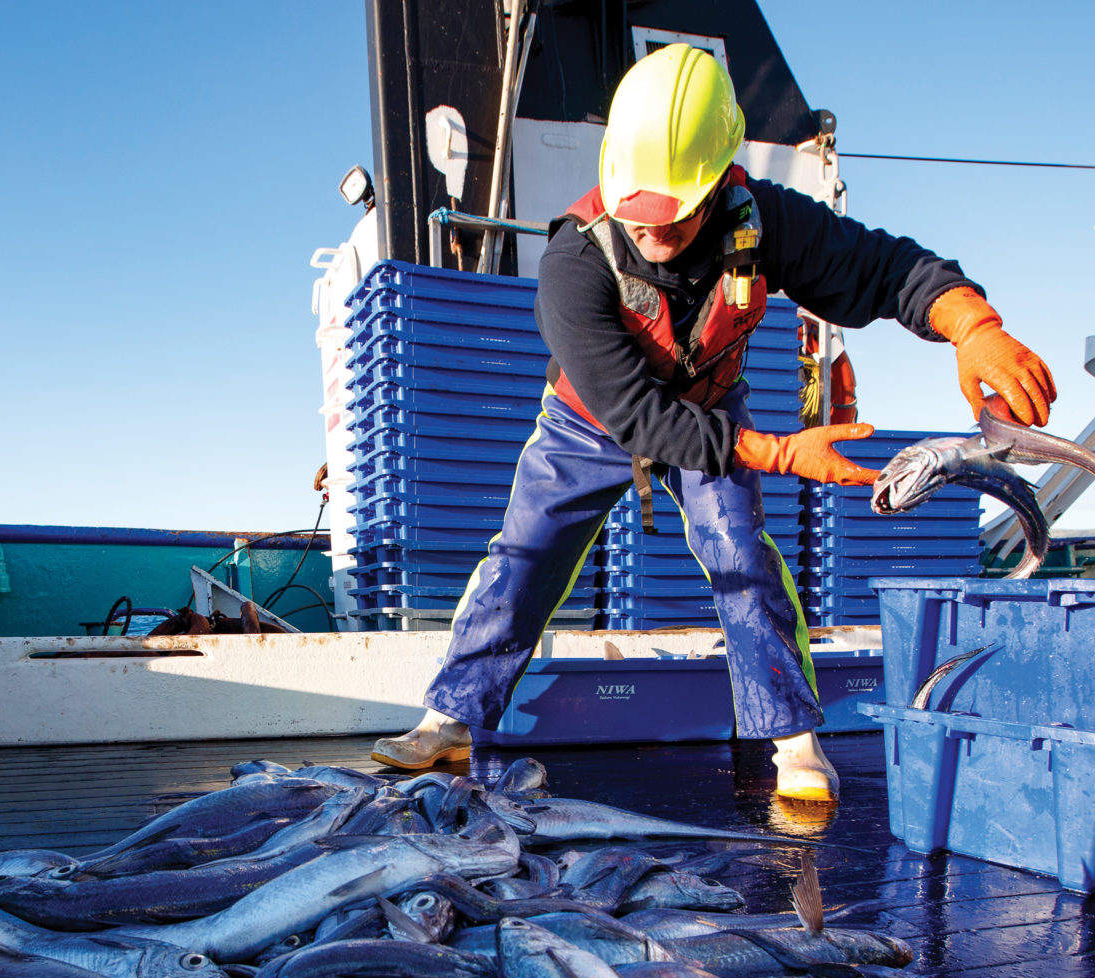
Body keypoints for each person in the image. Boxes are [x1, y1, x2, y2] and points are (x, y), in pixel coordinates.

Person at [370, 44, 1055, 800]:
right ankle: (448, 719)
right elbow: (634, 413)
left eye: (675, 216)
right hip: (590, 421)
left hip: (710, 407)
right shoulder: (574, 261)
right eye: (639, 214)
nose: (652, 233)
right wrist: (783, 454)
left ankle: (793, 741)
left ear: (719, 181)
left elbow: (883, 267)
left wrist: (973, 327)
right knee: (525, 555)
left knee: (742, 557)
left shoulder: (765, 220)